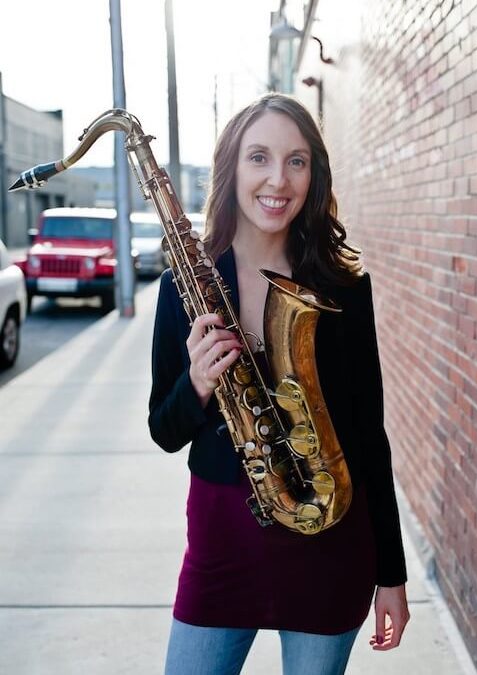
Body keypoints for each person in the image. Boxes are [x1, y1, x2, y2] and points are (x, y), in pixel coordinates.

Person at [149, 92, 410, 675]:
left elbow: (370, 434)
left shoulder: (343, 289)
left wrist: (391, 575)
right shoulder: (183, 287)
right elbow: (163, 431)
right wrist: (195, 384)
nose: (278, 178)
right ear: (232, 169)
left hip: (331, 544)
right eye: (259, 157)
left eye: (297, 160)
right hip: (221, 545)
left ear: (314, 174)